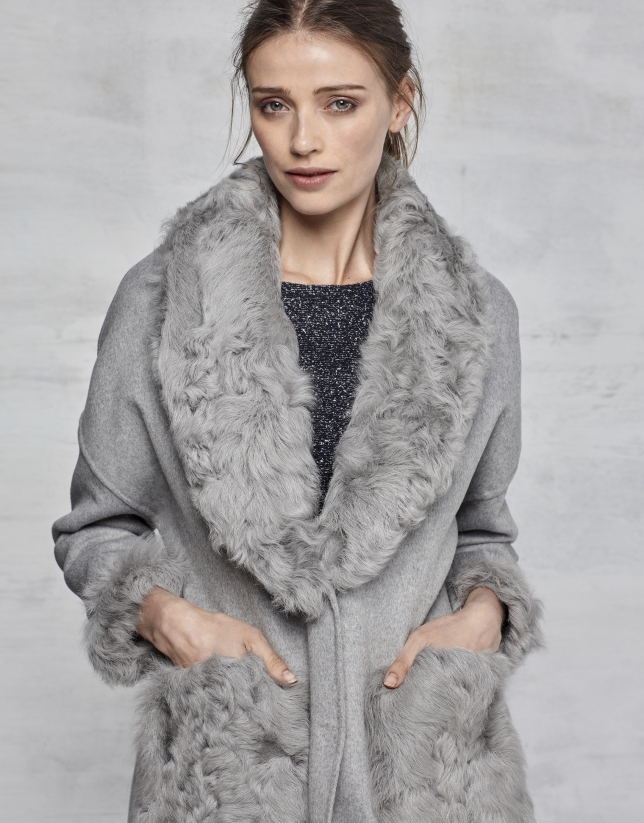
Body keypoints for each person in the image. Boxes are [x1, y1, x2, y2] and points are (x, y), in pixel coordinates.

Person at [53, 1, 543, 821]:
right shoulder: (163, 303)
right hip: (228, 776)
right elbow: (97, 526)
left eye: (340, 103)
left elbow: (483, 530)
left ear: (401, 101)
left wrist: (484, 614)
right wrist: (170, 619)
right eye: (274, 104)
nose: (302, 140)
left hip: (430, 779)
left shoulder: (478, 316)